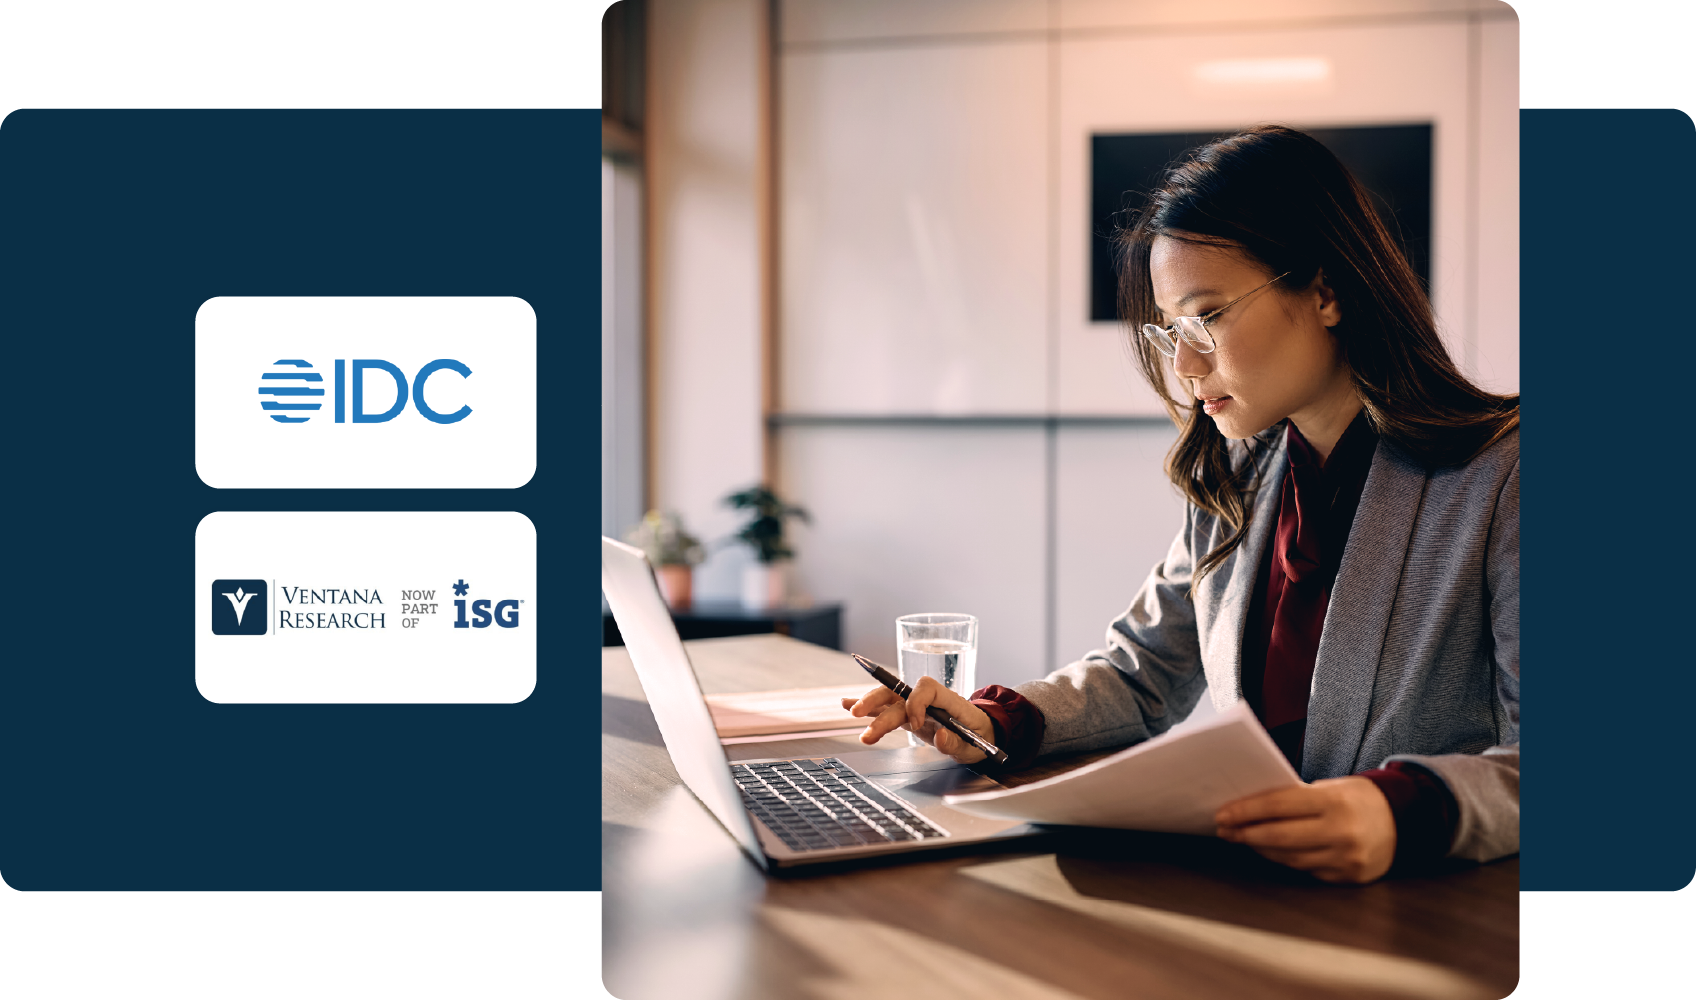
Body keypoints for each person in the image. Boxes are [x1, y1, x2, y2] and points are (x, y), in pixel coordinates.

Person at [843, 125, 1519, 884]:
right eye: (1172, 330)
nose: (1186, 364)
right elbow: (1141, 676)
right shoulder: (1241, 472)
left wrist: (1400, 811)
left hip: (1431, 908)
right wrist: (994, 721)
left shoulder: (1504, 475)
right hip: (1263, 891)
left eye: (1208, 317)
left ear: (1326, 291)